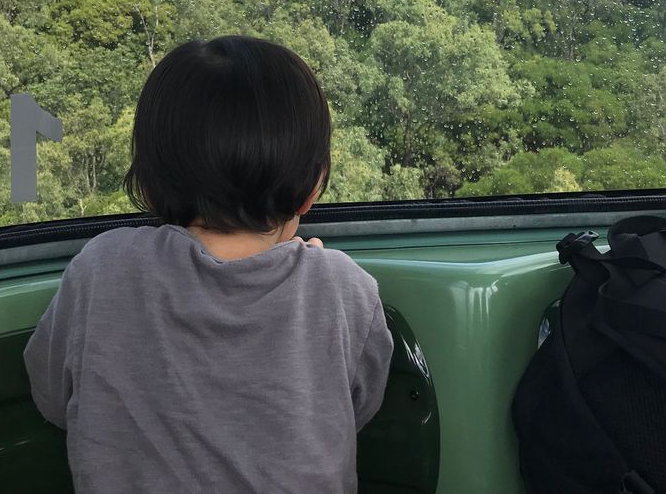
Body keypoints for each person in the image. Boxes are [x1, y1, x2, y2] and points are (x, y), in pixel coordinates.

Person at [24, 36, 393, 493]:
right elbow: (356, 409)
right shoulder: (343, 287)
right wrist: (320, 280)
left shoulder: (102, 268)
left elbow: (51, 397)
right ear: (312, 187)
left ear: (149, 183)